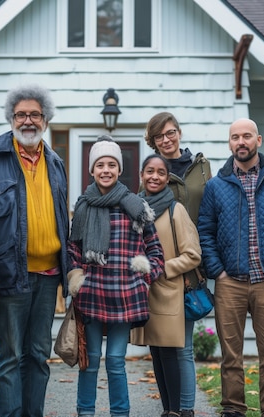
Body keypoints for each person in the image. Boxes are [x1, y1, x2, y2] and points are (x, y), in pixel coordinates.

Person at [0, 84, 69, 417]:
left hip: (49, 276)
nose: (28, 120)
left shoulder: (56, 163)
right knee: (9, 356)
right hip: (10, 274)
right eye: (21, 114)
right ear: (11, 118)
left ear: (45, 120)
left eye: (35, 114)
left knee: (38, 355)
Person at [197, 118, 264, 417]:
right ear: (229, 143)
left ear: (258, 140)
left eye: (247, 136)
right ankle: (233, 410)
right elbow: (205, 231)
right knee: (230, 356)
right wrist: (218, 271)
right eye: (235, 137)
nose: (241, 141)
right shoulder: (215, 186)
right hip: (230, 283)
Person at [68, 137, 165, 417]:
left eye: (111, 164)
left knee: (115, 360)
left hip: (125, 295)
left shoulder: (135, 205)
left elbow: (155, 250)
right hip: (93, 294)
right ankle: (85, 412)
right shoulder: (84, 206)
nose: (106, 170)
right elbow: (73, 248)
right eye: (100, 165)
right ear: (92, 170)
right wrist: (76, 278)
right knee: (92, 359)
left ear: (119, 169)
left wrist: (145, 276)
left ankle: (120, 413)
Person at [144, 112, 212, 416]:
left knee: (182, 346)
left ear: (179, 133)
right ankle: (174, 408)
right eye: (159, 136)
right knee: (161, 346)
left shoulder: (200, 168)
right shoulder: (152, 177)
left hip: (192, 266)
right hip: (160, 271)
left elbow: (211, 212)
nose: (166, 139)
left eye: (170, 133)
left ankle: (186, 409)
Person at [131, 154, 202, 417]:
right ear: (141, 174)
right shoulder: (135, 207)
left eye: (161, 172)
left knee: (171, 353)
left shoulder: (176, 210)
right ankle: (167, 410)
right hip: (144, 292)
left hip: (168, 292)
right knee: (157, 355)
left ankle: (176, 411)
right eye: (150, 171)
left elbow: (193, 254)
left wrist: (161, 269)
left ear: (167, 178)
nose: (154, 177)